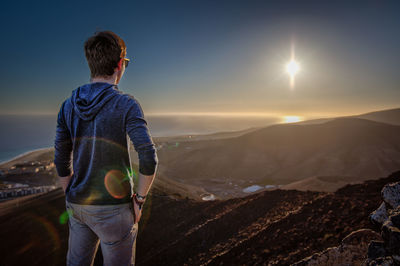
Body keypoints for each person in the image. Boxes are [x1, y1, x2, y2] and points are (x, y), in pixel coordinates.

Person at [54, 30, 158, 266]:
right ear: (120, 64)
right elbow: (149, 157)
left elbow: (61, 159)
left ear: (91, 64)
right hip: (114, 209)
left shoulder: (68, 106)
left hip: (78, 205)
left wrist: (71, 193)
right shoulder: (126, 104)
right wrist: (139, 200)